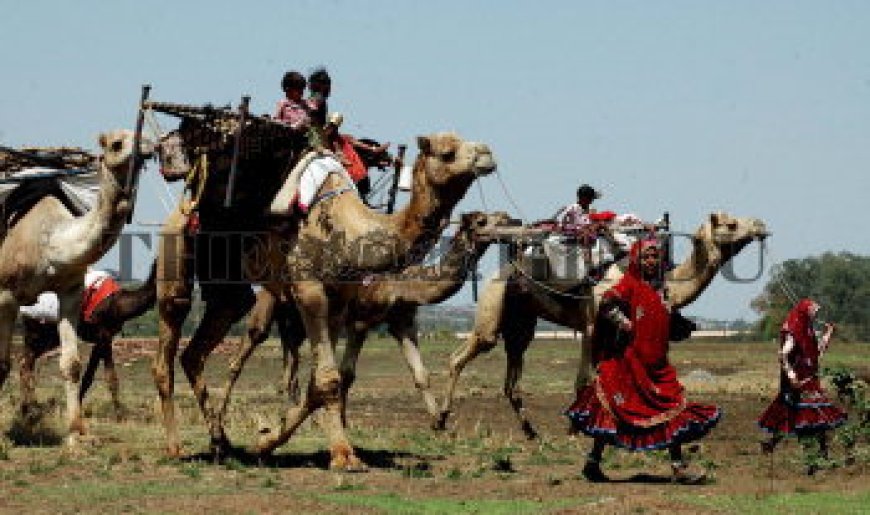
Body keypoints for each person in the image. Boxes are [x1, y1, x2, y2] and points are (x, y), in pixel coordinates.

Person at [565, 237, 721, 483]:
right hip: (630, 364)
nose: (651, 261)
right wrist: (623, 322)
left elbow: (662, 317)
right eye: (646, 257)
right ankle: (594, 464)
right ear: (637, 259)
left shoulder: (662, 289)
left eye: (655, 256)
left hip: (657, 365)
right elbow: (607, 302)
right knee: (613, 410)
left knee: (672, 406)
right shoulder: (629, 284)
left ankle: (677, 466)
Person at [758, 299, 847, 474]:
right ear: (805, 311)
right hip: (799, 383)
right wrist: (791, 376)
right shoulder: (793, 330)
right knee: (805, 420)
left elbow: (817, 351)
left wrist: (829, 333)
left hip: (811, 380)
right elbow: (782, 354)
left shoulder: (808, 330)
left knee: (814, 418)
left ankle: (819, 454)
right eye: (813, 310)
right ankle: (815, 459)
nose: (815, 314)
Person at [323, 112, 389, 199]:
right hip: (343, 173)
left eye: (334, 127)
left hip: (356, 174)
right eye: (331, 126)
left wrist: (373, 149)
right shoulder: (326, 140)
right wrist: (340, 156)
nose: (332, 129)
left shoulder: (344, 138)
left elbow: (357, 143)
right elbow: (338, 150)